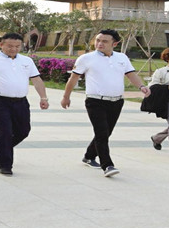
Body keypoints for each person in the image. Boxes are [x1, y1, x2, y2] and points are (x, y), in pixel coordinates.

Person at [60, 29, 150, 177]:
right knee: (102, 133)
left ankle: (88, 156)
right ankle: (107, 165)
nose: (99, 43)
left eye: (104, 41)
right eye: (98, 40)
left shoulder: (122, 58)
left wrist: (141, 86)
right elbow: (73, 79)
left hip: (116, 101)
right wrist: (66, 96)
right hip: (95, 101)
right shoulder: (86, 58)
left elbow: (131, 74)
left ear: (115, 44)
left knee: (106, 132)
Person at [0, 32, 49, 176]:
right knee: (5, 132)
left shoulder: (27, 61)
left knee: (24, 131)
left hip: (21, 101)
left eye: (17, 46)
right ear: (1, 45)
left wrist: (43, 97)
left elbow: (37, 80)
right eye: (10, 46)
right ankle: (5, 164)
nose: (13, 49)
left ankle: (2, 146)